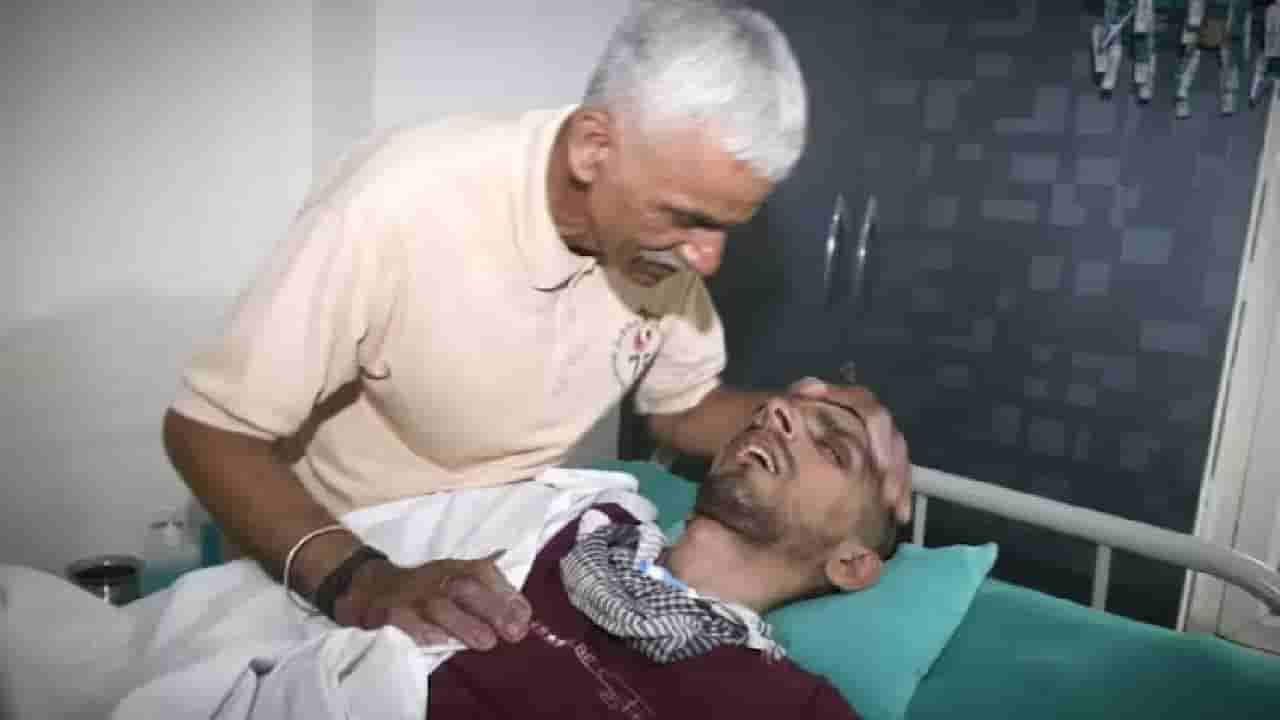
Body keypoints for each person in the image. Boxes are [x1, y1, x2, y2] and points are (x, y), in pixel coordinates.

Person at [161, 0, 911, 659]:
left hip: (496, 565)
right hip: (338, 563)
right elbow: (210, 431)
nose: (706, 260)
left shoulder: (659, 238)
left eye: (726, 227)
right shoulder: (401, 205)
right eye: (686, 217)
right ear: (593, 148)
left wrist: (808, 418)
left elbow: (681, 410)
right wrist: (361, 582)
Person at [428, 391, 895, 718]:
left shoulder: (794, 708)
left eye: (832, 449)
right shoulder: (570, 517)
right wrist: (389, 576)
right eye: (767, 411)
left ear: (851, 565)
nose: (775, 411)